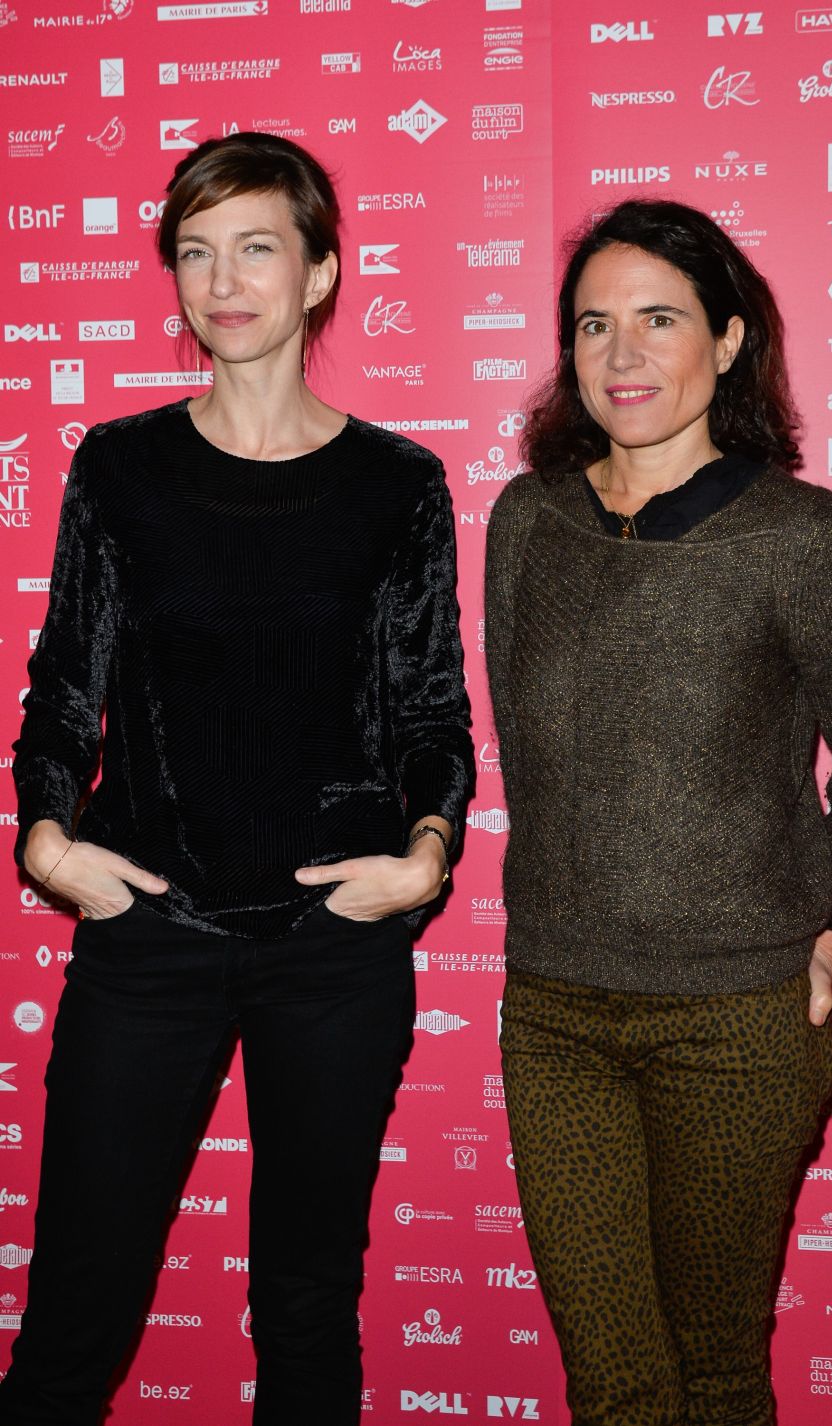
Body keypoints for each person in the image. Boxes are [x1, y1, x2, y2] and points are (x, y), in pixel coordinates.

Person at [0, 131, 473, 1426]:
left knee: (309, 1302)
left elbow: (433, 714)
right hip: (148, 933)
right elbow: (61, 693)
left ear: (319, 273)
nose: (222, 280)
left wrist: (425, 853)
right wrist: (47, 842)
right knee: (79, 1303)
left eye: (256, 246)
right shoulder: (119, 468)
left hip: (336, 948)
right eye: (195, 253)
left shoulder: (397, 486)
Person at [484, 198, 832, 1426]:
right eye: (592, 325)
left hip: (738, 1017)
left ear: (727, 340)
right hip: (559, 1013)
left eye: (659, 319)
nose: (620, 355)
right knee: (615, 1381)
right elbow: (528, 757)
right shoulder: (526, 520)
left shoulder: (800, 536)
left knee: (718, 1369)